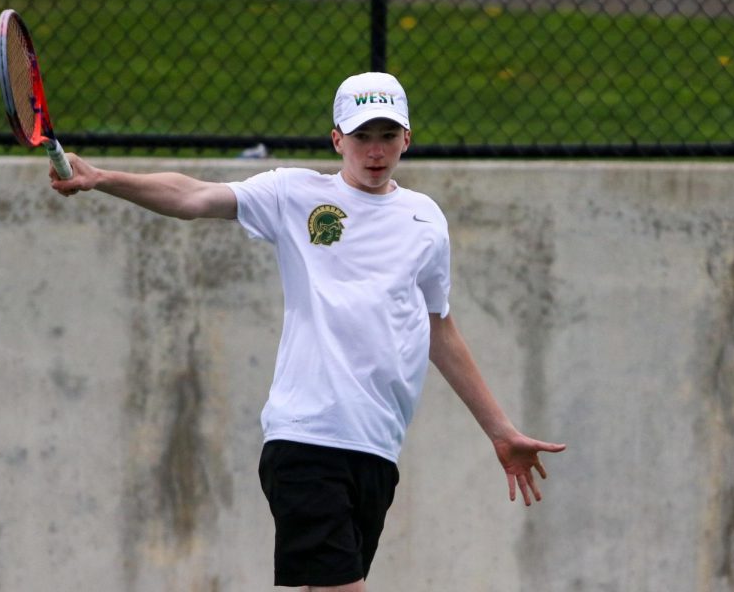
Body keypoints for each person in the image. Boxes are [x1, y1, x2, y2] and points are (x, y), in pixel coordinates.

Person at [49, 72, 566, 592]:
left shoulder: (425, 220)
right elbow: (192, 198)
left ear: (407, 138)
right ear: (337, 138)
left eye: (387, 135)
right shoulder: (293, 194)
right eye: (362, 136)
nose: (375, 150)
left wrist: (499, 430)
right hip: (307, 437)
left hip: (378, 448)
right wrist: (103, 178)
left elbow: (438, 327)